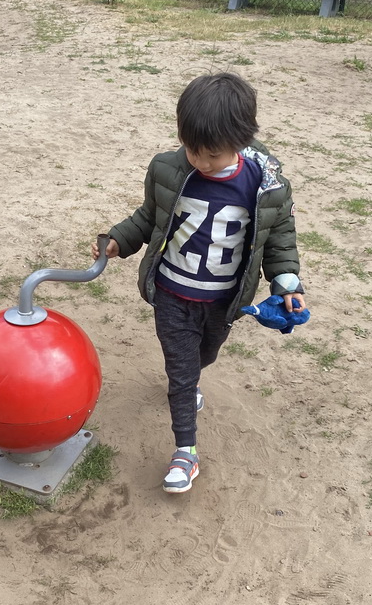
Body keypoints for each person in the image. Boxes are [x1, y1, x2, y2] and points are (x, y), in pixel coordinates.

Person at [91, 73, 306, 494]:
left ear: (241, 142)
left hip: (222, 301)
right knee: (182, 371)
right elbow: (149, 216)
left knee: (204, 355)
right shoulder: (169, 170)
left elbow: (279, 238)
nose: (200, 162)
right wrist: (119, 239)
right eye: (192, 149)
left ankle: (189, 383)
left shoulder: (264, 186)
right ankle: (185, 452)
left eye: (212, 154)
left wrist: (287, 285)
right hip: (173, 292)